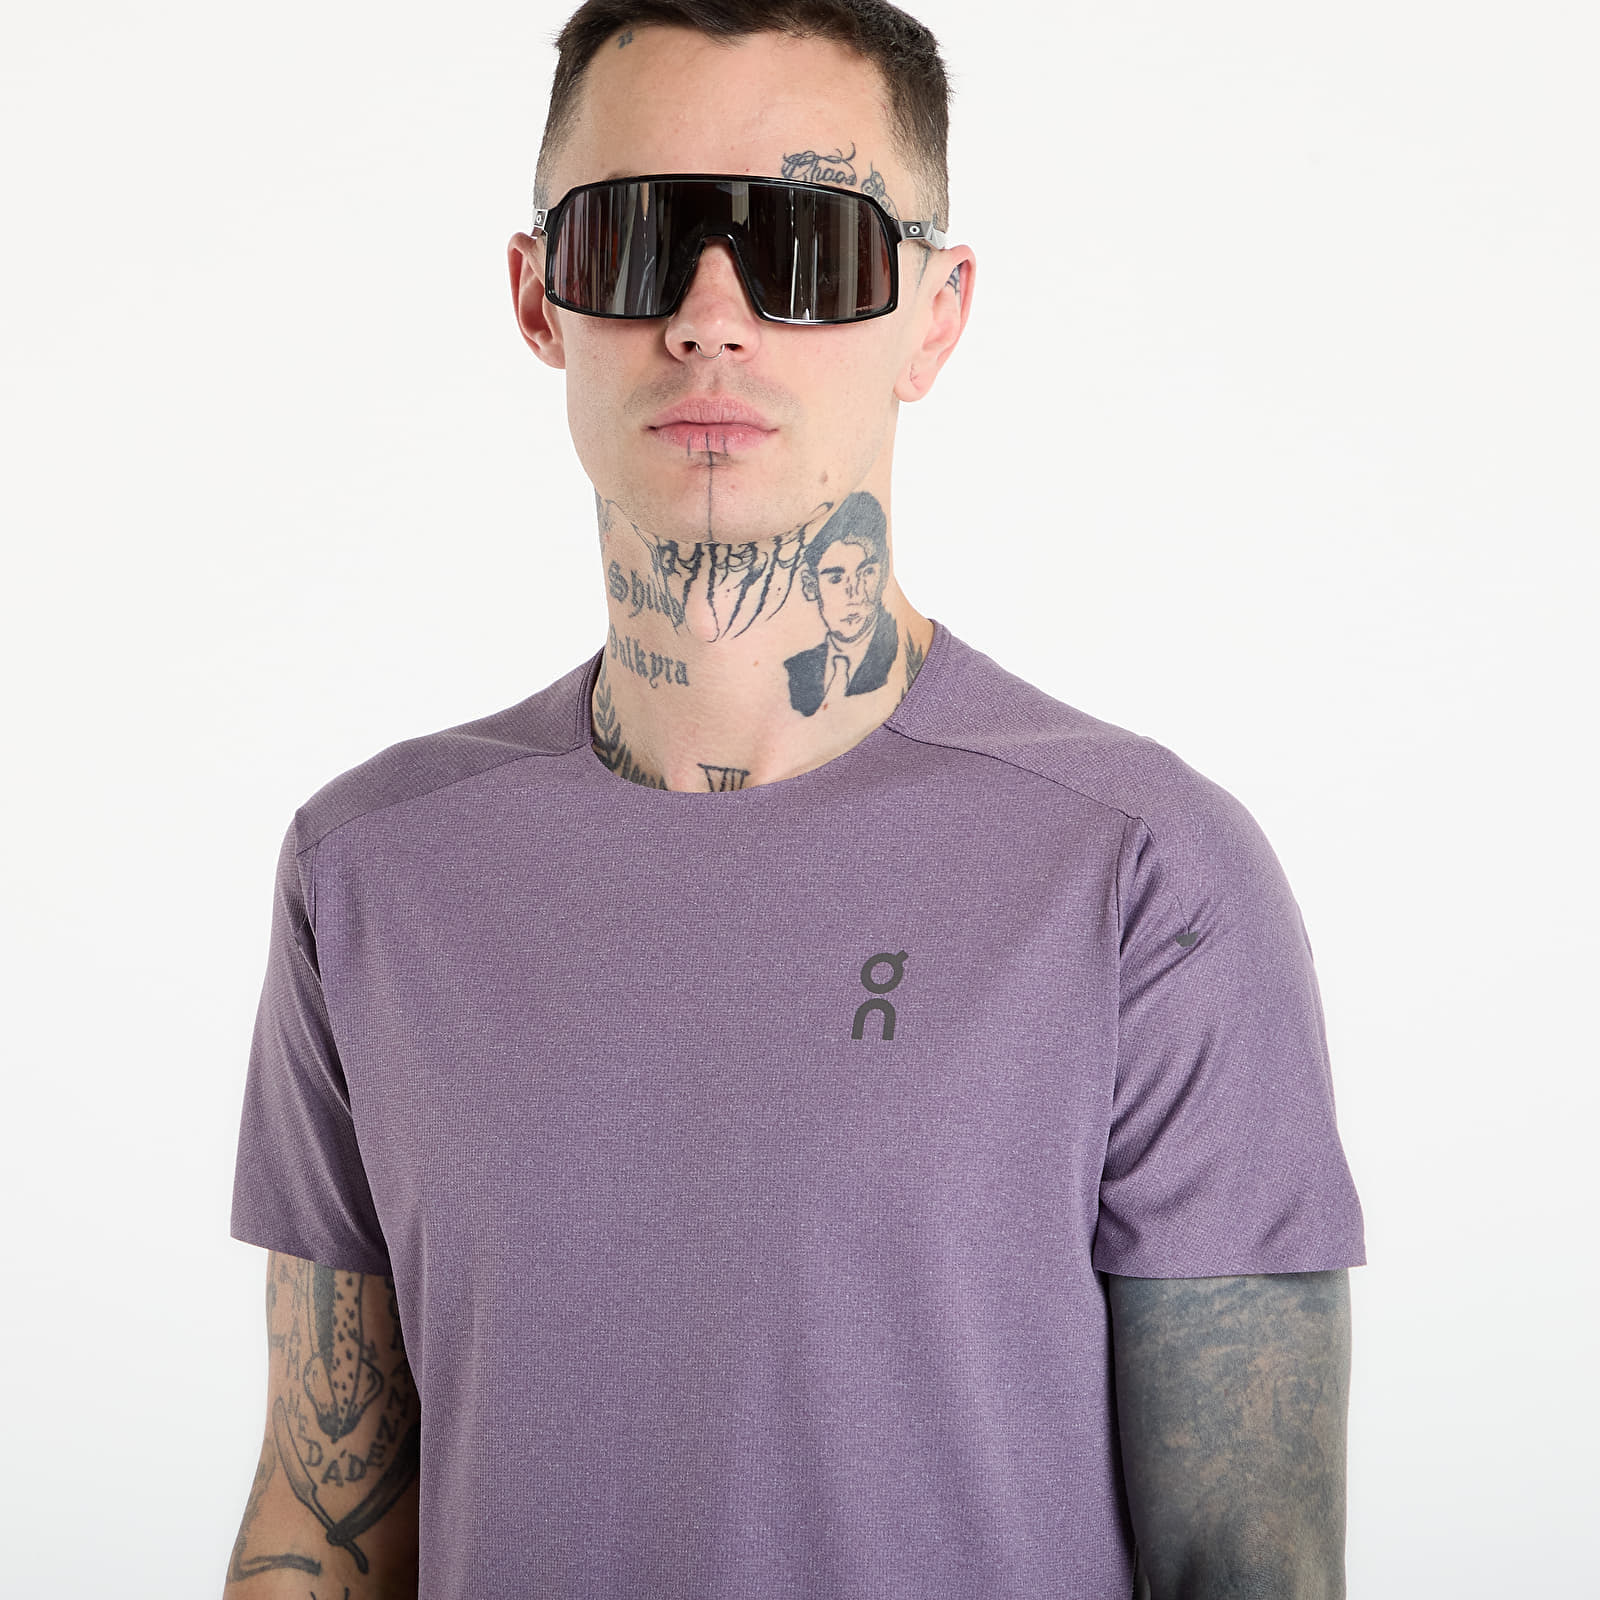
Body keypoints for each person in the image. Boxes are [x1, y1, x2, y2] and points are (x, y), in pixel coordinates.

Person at [224, 2, 1365, 1596]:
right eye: (638, 239)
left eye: (808, 250)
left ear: (934, 317)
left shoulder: (1144, 876)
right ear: (540, 296)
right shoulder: (371, 871)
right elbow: (322, 1517)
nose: (712, 318)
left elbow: (1251, 1567)